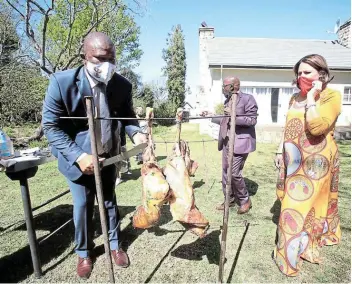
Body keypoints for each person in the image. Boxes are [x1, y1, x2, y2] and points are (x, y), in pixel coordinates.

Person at [42, 32, 147, 279]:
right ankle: (84, 252)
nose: (106, 65)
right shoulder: (61, 82)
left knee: (109, 202)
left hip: (108, 156)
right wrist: (79, 156)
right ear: (84, 57)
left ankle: (114, 245)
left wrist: (137, 134)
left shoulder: (122, 85)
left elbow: (127, 116)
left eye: (111, 58)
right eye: (99, 59)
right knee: (82, 205)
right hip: (78, 160)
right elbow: (51, 126)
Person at [273, 54, 342, 277]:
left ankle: (286, 258)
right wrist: (278, 150)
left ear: (321, 74)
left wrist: (313, 96)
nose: (302, 76)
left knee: (297, 206)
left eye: (307, 72)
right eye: (299, 73)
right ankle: (304, 244)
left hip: (316, 162)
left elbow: (316, 127)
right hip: (293, 159)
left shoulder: (332, 96)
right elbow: (288, 126)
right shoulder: (294, 98)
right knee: (304, 204)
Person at [211, 76, 258, 214]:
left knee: (234, 172)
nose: (223, 88)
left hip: (240, 142)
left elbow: (251, 120)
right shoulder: (228, 100)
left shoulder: (248, 99)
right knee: (225, 172)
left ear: (233, 86)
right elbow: (226, 120)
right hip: (227, 141)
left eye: (225, 85)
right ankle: (229, 199)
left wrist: (232, 115)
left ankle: (245, 200)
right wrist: (211, 116)